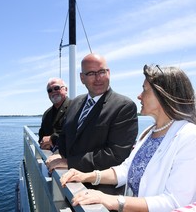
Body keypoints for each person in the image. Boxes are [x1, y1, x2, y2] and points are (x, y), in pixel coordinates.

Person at [60, 65, 196, 212]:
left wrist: (113, 200)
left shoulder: (189, 137)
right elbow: (126, 170)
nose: (139, 96)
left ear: (163, 95)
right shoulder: (149, 132)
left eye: (144, 89)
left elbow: (174, 201)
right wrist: (86, 176)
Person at [46, 53, 138, 195]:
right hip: (69, 186)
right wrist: (59, 153)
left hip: (100, 194)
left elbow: (116, 154)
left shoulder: (124, 106)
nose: (98, 78)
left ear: (109, 73)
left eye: (102, 72)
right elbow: (66, 135)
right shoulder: (76, 103)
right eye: (91, 73)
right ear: (82, 78)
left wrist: (70, 162)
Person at [38, 77, 71, 152]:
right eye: (49, 90)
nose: (53, 92)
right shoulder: (47, 114)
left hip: (70, 159)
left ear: (66, 89)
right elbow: (41, 135)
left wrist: (52, 139)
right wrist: (43, 143)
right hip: (50, 157)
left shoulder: (75, 107)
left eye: (56, 88)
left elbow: (74, 131)